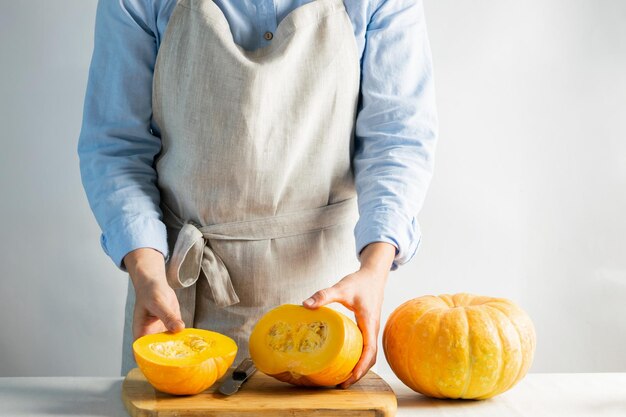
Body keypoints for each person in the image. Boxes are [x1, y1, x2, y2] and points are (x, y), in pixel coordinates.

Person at [78, 0, 437, 389]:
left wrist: (375, 270)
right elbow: (115, 145)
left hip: (325, 301)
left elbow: (397, 141)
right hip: (174, 301)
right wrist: (145, 269)